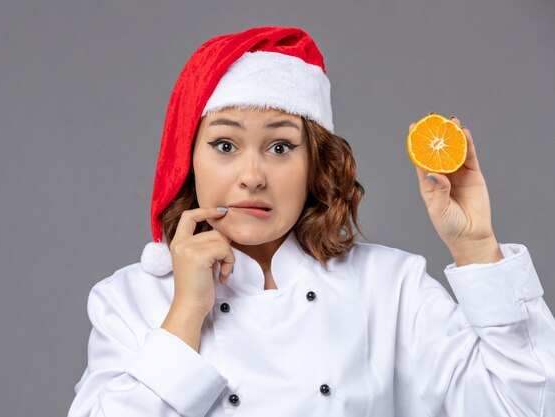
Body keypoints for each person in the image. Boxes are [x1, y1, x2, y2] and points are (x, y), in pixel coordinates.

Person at [67, 26, 555, 417]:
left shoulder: (391, 289)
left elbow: (526, 407)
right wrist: (186, 314)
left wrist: (476, 248)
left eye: (280, 147)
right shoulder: (129, 300)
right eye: (225, 145)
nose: (253, 176)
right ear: (187, 160)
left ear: (315, 165)